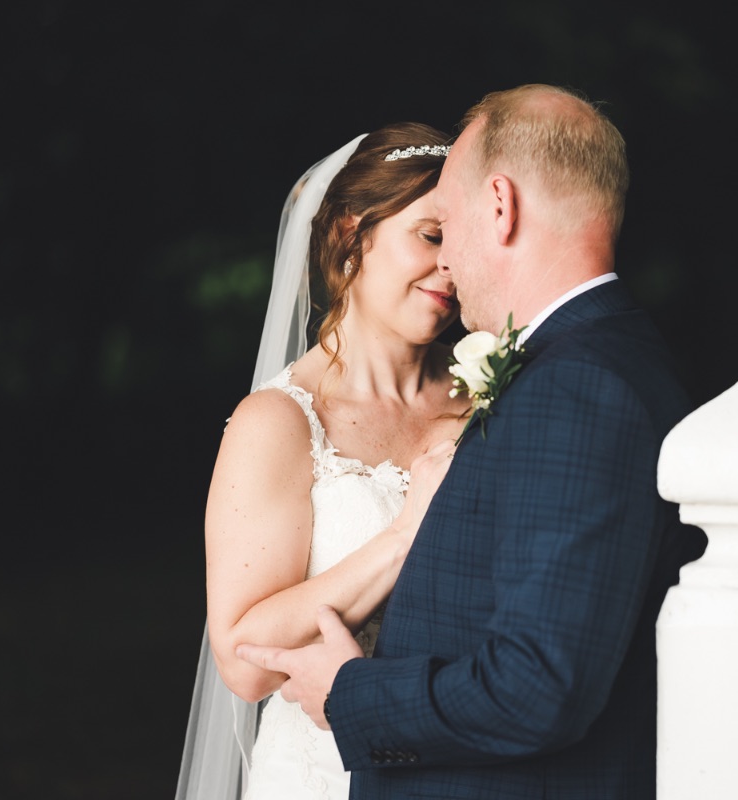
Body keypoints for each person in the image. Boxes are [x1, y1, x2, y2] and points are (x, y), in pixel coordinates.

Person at [236, 83, 708, 799]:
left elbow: (539, 683)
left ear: (499, 206)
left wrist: (352, 691)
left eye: (445, 224)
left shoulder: (575, 387)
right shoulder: (571, 369)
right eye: (426, 234)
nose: (448, 262)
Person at [175, 122, 469, 800]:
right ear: (348, 235)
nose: (451, 266)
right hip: (323, 774)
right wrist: (402, 537)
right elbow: (245, 661)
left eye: (462, 242)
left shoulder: (491, 399)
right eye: (429, 236)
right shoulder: (278, 423)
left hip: (463, 761)